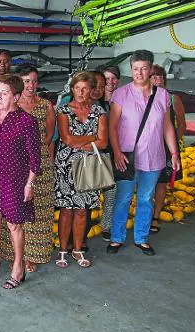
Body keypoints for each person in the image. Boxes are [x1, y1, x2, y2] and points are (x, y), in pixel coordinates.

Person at [107, 50, 180, 256]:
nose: (139, 73)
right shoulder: (121, 93)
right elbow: (112, 126)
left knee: (146, 198)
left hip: (154, 156)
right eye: (135, 69)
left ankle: (141, 237)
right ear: (131, 70)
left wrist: (174, 153)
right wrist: (117, 152)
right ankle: (117, 237)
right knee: (124, 197)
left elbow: (167, 126)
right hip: (128, 156)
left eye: (144, 68)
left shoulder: (162, 95)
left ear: (151, 69)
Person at [0, 74, 41, 289]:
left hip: (14, 180)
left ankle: (18, 266)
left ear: (16, 96)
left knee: (14, 224)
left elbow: (35, 157)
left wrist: (30, 184)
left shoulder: (27, 121)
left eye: (4, 93)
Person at [0, 66, 55, 273]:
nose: (31, 85)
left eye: (34, 81)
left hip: (40, 166)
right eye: (26, 81)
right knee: (18, 211)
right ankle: (18, 256)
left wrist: (36, 158)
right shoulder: (10, 105)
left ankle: (34, 256)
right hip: (15, 166)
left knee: (39, 211)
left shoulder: (45, 105)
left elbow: (48, 136)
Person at [54, 71, 108, 269]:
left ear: (91, 90)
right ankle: (62, 250)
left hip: (88, 166)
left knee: (82, 211)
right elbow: (66, 139)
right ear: (72, 89)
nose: (80, 92)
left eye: (85, 88)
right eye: (77, 88)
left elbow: (103, 142)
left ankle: (77, 249)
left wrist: (84, 142)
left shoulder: (99, 111)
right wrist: (91, 138)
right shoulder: (64, 110)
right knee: (66, 210)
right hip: (66, 165)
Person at [149, 64, 186, 233]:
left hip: (165, 147)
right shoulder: (143, 98)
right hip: (147, 146)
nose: (158, 80)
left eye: (160, 77)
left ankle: (155, 217)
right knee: (146, 183)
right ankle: (146, 214)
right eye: (154, 77)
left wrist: (172, 146)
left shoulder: (172, 99)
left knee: (161, 183)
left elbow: (181, 125)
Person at [91, 71, 117, 242]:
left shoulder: (106, 106)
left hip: (105, 154)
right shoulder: (73, 104)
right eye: (96, 85)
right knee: (88, 193)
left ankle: (106, 225)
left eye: (102, 86)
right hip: (85, 156)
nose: (99, 89)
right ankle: (85, 226)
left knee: (110, 190)